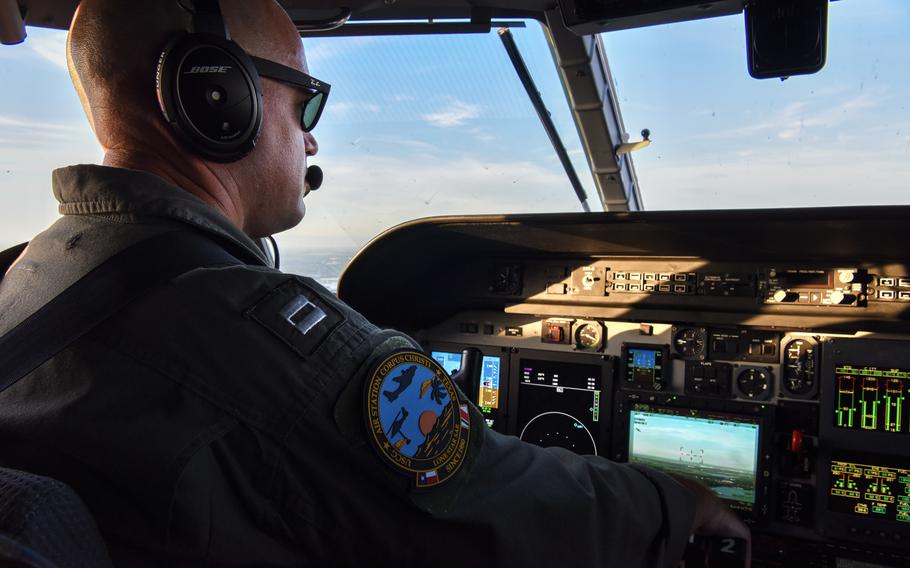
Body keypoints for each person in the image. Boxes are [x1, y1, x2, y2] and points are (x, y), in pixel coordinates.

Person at [0, 0, 749, 566]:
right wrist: (674, 508)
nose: (314, 135)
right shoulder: (259, 334)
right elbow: (492, 506)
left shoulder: (20, 277)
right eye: (307, 101)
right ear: (215, 96)